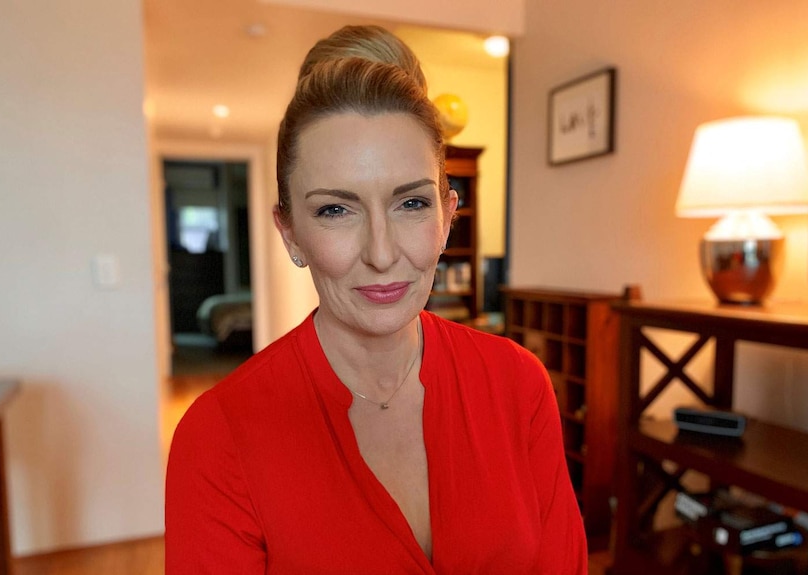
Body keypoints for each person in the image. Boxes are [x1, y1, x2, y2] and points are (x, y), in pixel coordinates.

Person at [165, 25, 588, 574]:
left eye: (411, 203)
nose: (382, 254)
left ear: (447, 217)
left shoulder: (518, 385)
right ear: (290, 232)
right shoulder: (218, 436)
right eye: (336, 210)